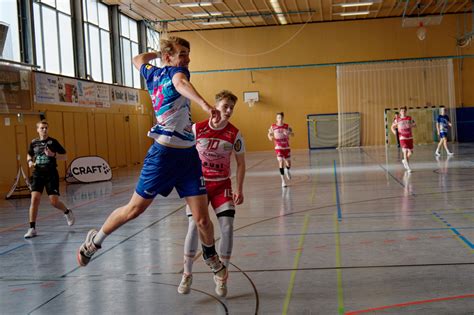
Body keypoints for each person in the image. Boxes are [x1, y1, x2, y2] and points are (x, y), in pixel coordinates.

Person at [76, 37, 227, 283]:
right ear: (170, 58)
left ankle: (210, 256)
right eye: (181, 54)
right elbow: (180, 84)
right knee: (134, 209)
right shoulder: (177, 74)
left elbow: (138, 59)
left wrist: (158, 53)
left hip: (188, 155)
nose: (186, 59)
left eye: (188, 54)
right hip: (163, 155)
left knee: (202, 218)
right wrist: (204, 104)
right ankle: (94, 242)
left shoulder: (151, 72)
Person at [178, 90, 246, 297]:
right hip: (198, 186)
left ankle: (221, 275)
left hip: (221, 185)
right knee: (193, 226)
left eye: (231, 108)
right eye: (225, 106)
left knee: (227, 226)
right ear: (215, 106)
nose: (228, 111)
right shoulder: (197, 129)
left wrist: (240, 189)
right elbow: (183, 155)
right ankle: (187, 273)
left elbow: (241, 163)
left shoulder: (235, 133)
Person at [24, 120, 74, 238]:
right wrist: (30, 161)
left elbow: (65, 156)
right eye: (42, 128)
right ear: (37, 130)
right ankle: (32, 228)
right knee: (35, 199)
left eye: (46, 128)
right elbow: (29, 154)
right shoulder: (33, 143)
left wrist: (54, 155)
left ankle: (67, 212)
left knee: (54, 202)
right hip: (37, 174)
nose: (44, 130)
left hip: (51, 174)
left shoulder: (53, 142)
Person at [268, 112, 294, 187]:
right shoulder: (273, 126)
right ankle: (283, 181)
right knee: (280, 161)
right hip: (278, 147)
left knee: (288, 163)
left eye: (281, 118)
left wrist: (288, 133)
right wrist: (270, 137)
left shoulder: (287, 126)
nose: (280, 119)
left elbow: (293, 134)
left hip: (286, 146)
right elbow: (269, 134)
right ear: (276, 118)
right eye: (278, 118)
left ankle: (287, 170)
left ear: (283, 118)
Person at [391, 106, 416, 172]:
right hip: (402, 138)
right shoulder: (397, 119)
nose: (403, 112)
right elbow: (392, 127)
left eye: (404, 111)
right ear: (400, 112)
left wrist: (411, 125)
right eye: (402, 111)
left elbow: (414, 125)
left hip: (410, 137)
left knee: (410, 152)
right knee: (405, 151)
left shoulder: (409, 118)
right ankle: (408, 168)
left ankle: (404, 161)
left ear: (406, 112)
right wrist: (395, 133)